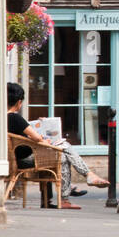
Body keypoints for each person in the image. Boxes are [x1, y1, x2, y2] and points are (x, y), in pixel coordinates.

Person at [6, 82, 109, 210]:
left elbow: (27, 133)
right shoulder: (15, 118)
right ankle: (82, 181)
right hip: (26, 160)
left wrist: (41, 126)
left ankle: (54, 198)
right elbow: (36, 137)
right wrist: (45, 140)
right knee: (63, 150)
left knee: (62, 154)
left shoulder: (3, 118)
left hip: (15, 158)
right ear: (19, 102)